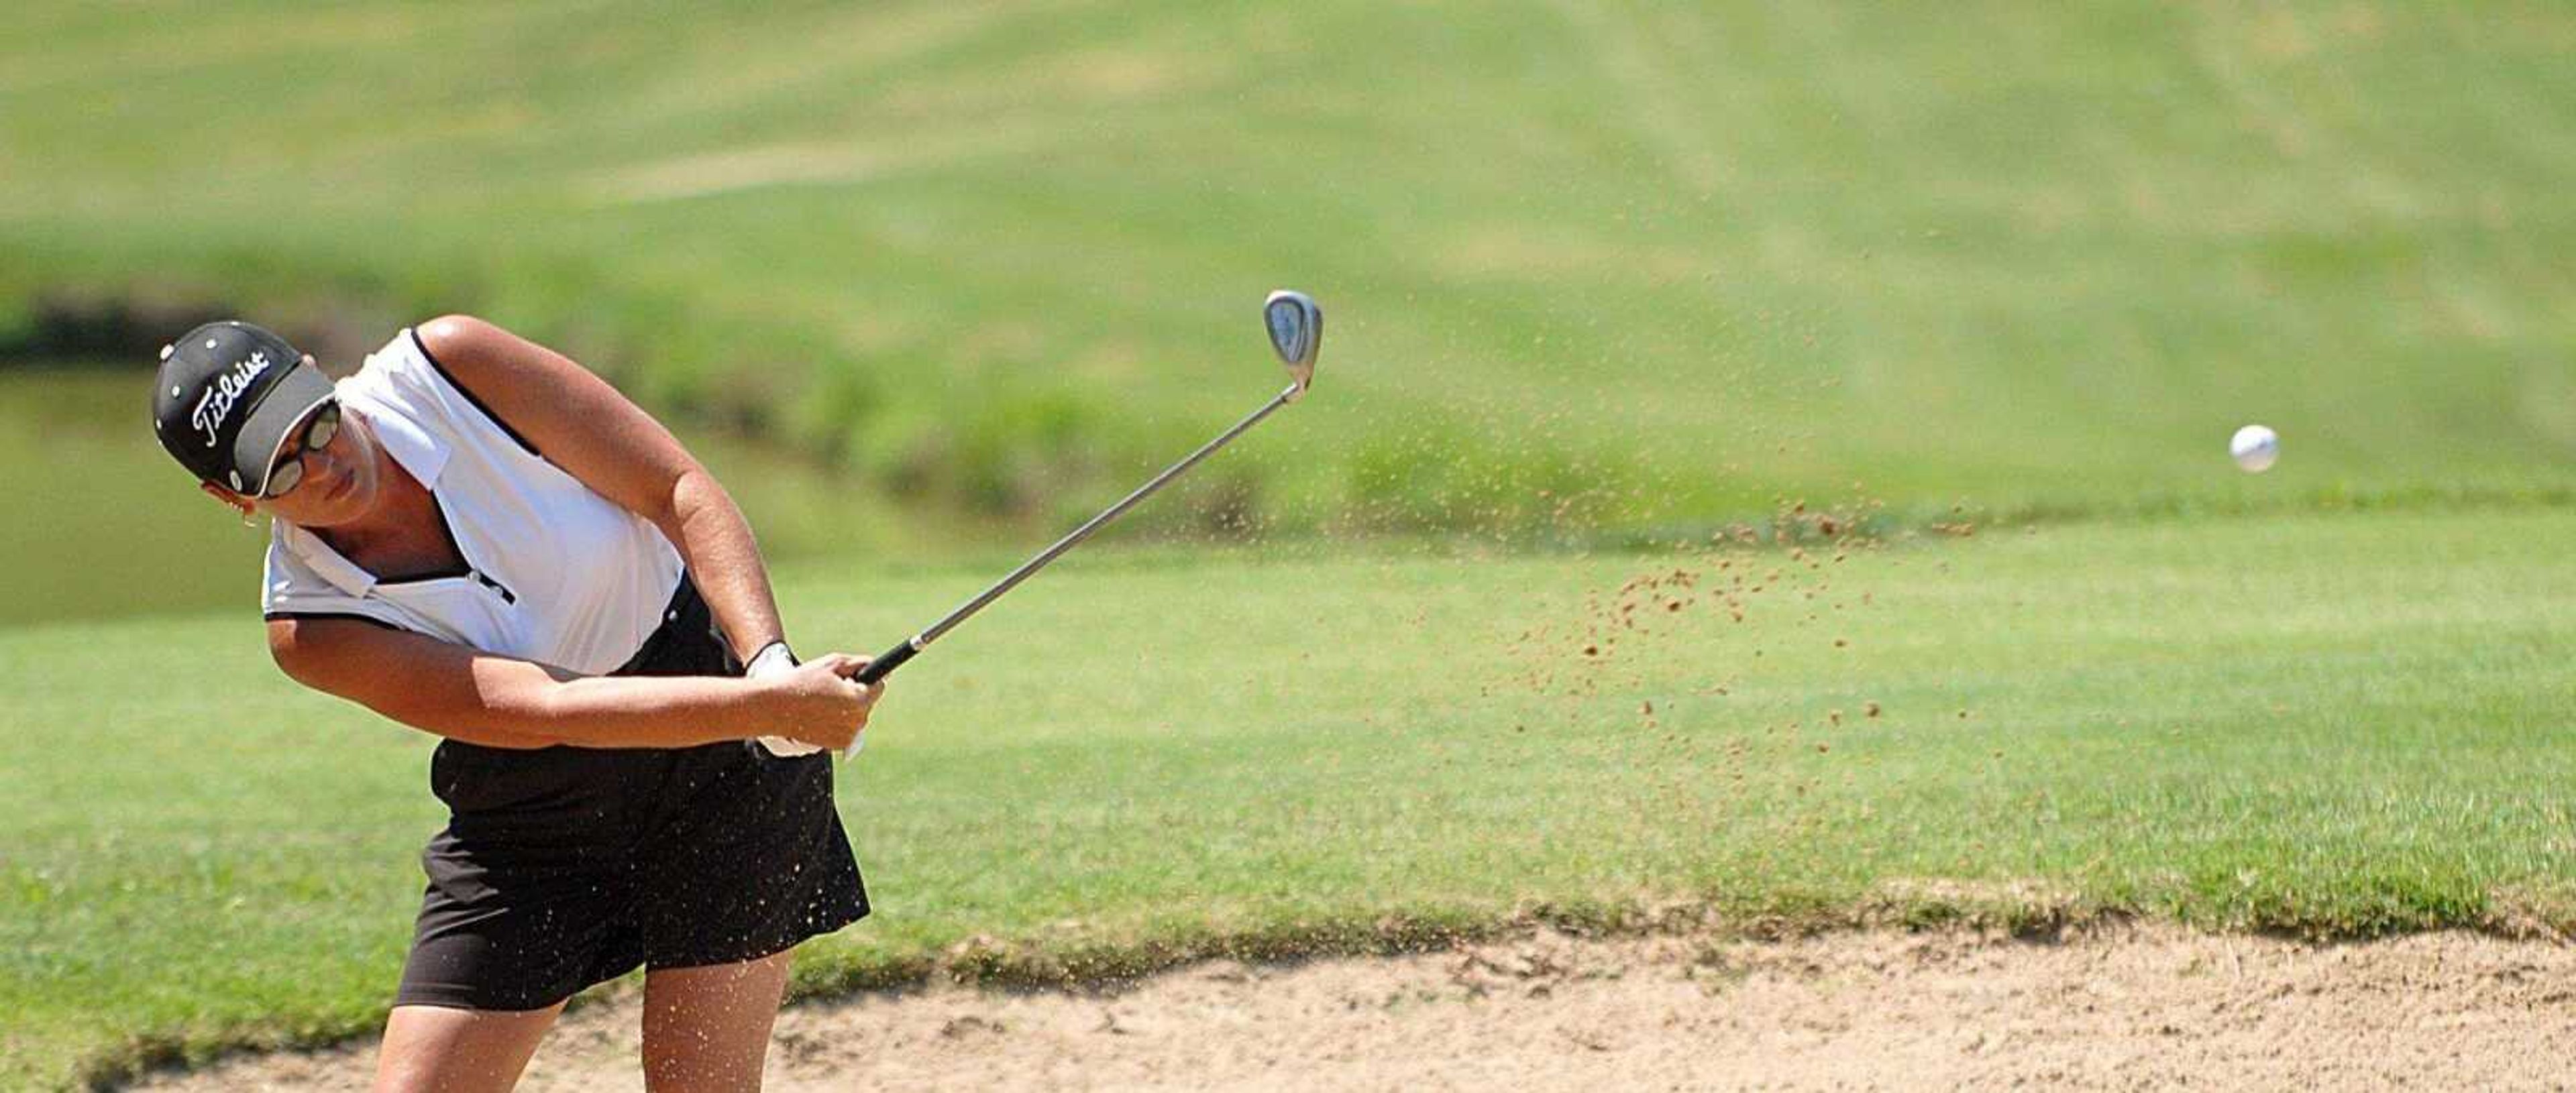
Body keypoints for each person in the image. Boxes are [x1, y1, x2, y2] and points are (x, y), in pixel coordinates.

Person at [150, 316, 882, 1092]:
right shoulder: (310, 624)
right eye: (282, 470)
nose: (324, 463)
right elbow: (544, 708)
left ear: (313, 370)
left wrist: (767, 667)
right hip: (536, 809)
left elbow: (676, 489)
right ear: (232, 497)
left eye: (317, 422)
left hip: (725, 748)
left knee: (700, 1082)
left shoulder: (452, 368)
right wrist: (766, 708)